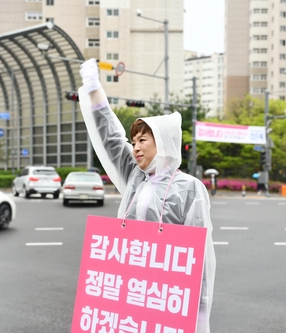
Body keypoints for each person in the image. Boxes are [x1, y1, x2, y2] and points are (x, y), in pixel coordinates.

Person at [78, 58, 216, 333]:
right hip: (132, 291)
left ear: (162, 142)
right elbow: (110, 137)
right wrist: (94, 88)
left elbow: (198, 255)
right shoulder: (135, 178)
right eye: (134, 142)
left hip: (167, 298)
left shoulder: (189, 188)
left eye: (143, 140)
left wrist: (198, 310)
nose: (136, 148)